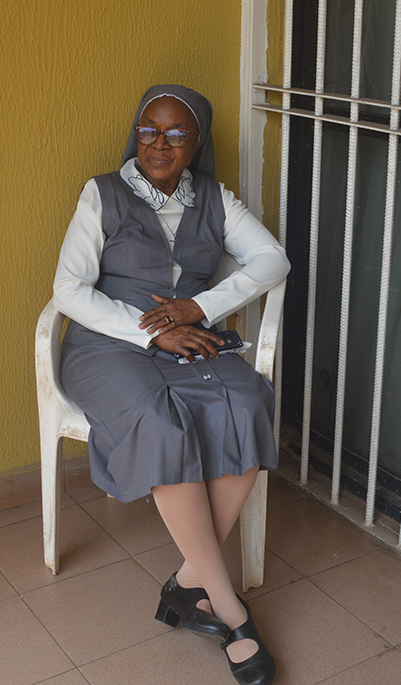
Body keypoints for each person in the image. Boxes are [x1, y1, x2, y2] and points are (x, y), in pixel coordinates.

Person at [52, 84, 290, 685]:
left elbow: (272, 260)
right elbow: (70, 289)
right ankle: (230, 609)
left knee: (246, 401)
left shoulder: (214, 198)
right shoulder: (102, 193)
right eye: (148, 130)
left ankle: (187, 583)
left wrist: (198, 308)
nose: (159, 144)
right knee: (159, 421)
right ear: (136, 133)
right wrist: (149, 332)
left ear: (196, 143)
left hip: (188, 336)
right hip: (110, 344)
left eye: (176, 133)